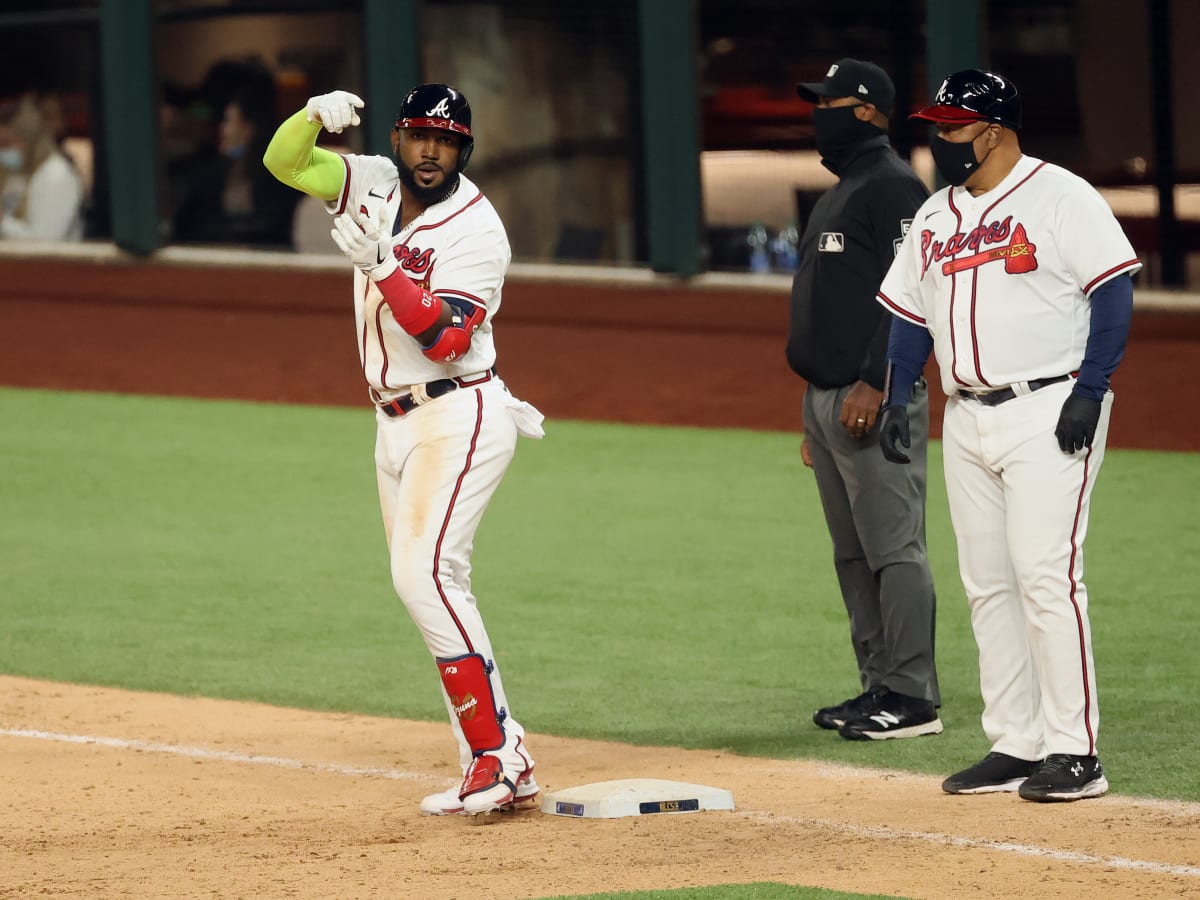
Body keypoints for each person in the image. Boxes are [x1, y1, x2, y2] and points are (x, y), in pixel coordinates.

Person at [263, 84, 545, 817]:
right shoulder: (375, 183)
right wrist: (311, 119)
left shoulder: (478, 231)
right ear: (398, 137)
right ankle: (492, 757)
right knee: (437, 584)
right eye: (420, 136)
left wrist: (385, 265)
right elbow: (284, 163)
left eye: (445, 141)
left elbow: (446, 338)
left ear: (464, 150)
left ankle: (497, 754)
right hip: (393, 426)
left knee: (422, 577)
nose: (430, 151)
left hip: (460, 416)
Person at [876, 69, 1141, 801]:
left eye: (953, 126)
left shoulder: (1062, 195)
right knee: (988, 585)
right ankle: (1017, 743)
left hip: (1048, 405)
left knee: (1044, 576)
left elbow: (1113, 292)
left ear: (992, 130)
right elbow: (909, 316)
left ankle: (1076, 752)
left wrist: (1091, 389)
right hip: (966, 415)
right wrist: (900, 399)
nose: (941, 138)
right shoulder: (935, 215)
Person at [786, 58, 941, 741]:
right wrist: (815, 407)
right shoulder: (841, 191)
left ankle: (912, 697)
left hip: (875, 394)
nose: (820, 114)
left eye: (832, 103)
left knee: (894, 548)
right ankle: (878, 685)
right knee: (853, 555)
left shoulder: (893, 186)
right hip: (829, 401)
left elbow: (916, 293)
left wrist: (880, 378)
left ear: (872, 111)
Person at [174, 86, 299, 247]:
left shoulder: (280, 180)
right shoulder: (211, 176)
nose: (222, 130)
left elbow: (273, 230)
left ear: (249, 129)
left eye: (228, 121)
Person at [0, 93, 84, 241]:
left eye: (6, 143)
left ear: (30, 140)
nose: (3, 151)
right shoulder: (22, 175)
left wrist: (2, 223)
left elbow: (44, 243)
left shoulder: (57, 176)